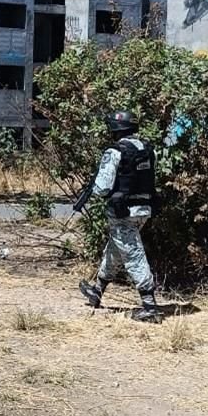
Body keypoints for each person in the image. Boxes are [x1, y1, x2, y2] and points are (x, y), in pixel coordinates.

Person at [78, 111, 161, 323]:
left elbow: (102, 188)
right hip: (144, 209)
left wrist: (95, 187)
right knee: (115, 250)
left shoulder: (115, 152)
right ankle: (97, 291)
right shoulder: (147, 149)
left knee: (133, 254)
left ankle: (150, 306)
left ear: (116, 129)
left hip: (122, 212)